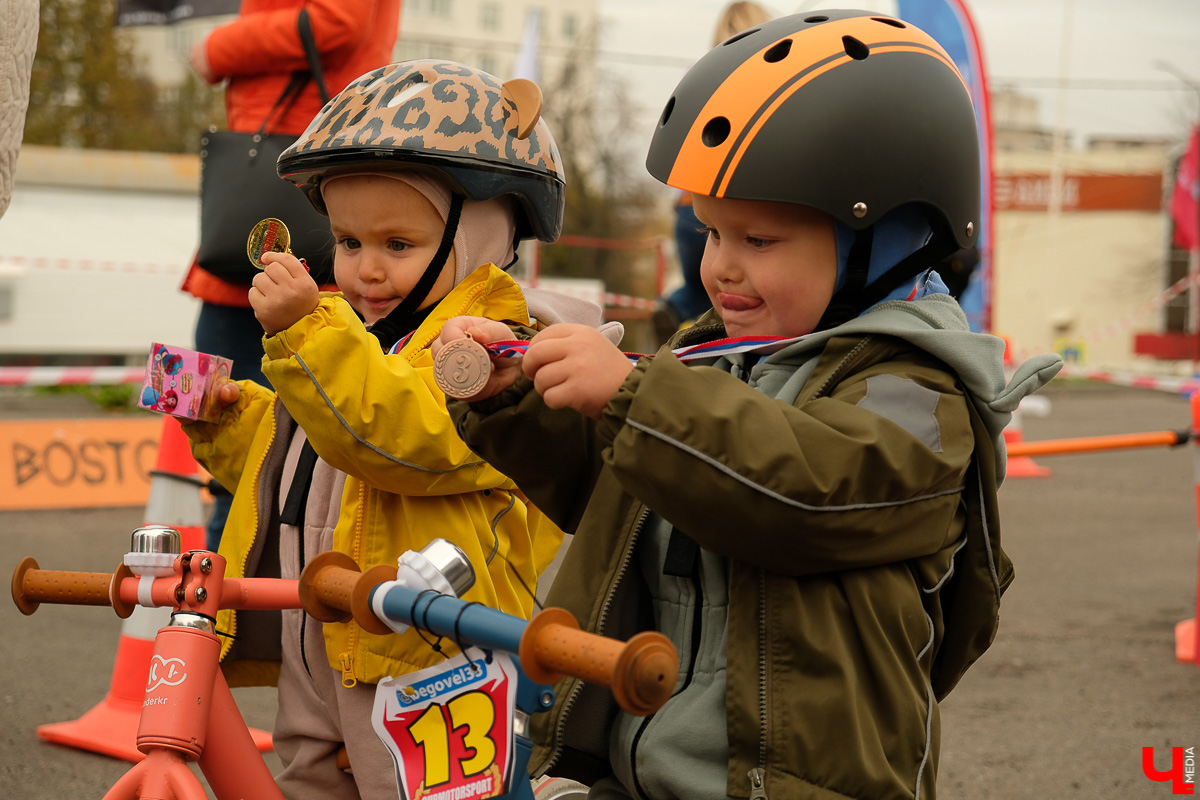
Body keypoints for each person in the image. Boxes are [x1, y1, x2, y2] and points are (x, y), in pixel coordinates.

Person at [435, 12, 1063, 799]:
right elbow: (625, 494)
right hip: (643, 770)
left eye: (758, 241)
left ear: (890, 238)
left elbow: (801, 491)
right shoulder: (717, 358)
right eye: (710, 233)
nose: (719, 268)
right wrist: (519, 401)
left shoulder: (921, 394)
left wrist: (632, 397)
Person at [182, 60, 575, 800]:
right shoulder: (365, 341)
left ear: (484, 236)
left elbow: (401, 438)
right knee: (308, 779)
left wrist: (307, 331)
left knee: (412, 790)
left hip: (425, 649)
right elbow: (312, 465)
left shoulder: (493, 347)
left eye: (398, 245)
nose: (365, 270)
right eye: (349, 242)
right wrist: (234, 420)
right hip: (319, 633)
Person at [183, 0, 401, 551]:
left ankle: (232, 608)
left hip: (302, 166)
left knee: (293, 455)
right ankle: (225, 601)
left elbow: (334, 20)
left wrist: (218, 48)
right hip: (266, 216)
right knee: (232, 435)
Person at [651, 1, 772, 346]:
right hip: (744, 202)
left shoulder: (700, 74)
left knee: (700, 288)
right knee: (741, 294)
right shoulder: (777, 82)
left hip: (690, 203)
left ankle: (672, 310)